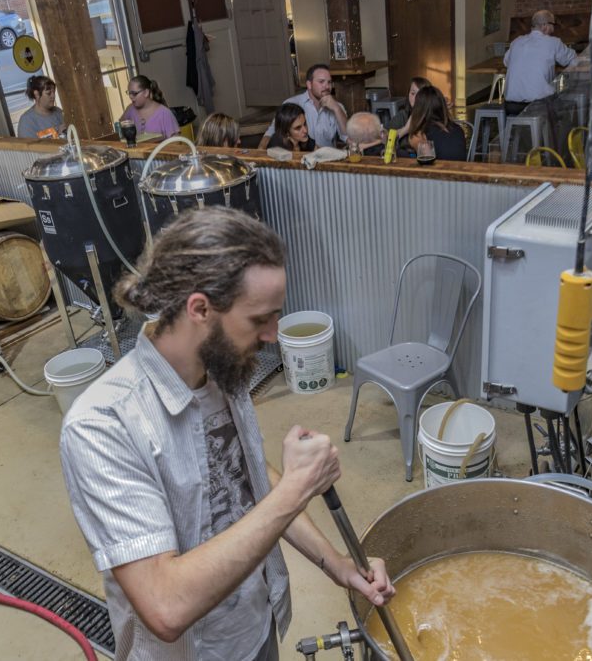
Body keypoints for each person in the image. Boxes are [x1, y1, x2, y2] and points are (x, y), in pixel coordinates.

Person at [60, 207, 395, 660]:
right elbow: (164, 607)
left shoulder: (221, 369)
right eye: (260, 320)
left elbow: (250, 477)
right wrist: (297, 489)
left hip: (254, 628)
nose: (273, 335)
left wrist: (333, 562)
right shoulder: (102, 426)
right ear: (200, 308)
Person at [503, 10, 577, 116]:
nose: (554, 29)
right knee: (566, 104)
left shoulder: (517, 41)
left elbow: (506, 62)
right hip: (538, 106)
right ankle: (559, 131)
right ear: (545, 25)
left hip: (511, 105)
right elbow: (571, 58)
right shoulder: (554, 42)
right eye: (553, 24)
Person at [259, 64, 348, 150]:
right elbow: (271, 133)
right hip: (300, 159)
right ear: (309, 84)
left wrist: (336, 109)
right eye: (321, 82)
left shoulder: (338, 107)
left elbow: (348, 138)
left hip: (328, 160)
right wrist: (259, 154)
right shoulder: (291, 103)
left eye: (329, 82)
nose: (327, 86)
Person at [408, 85, 467, 162]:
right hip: (462, 172)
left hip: (441, 172)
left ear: (418, 108)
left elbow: (427, 162)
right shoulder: (458, 129)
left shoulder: (419, 135)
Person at [121, 75, 180, 139]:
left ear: (146, 92)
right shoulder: (130, 110)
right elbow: (119, 129)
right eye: (129, 93)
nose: (130, 97)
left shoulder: (165, 114)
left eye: (134, 93)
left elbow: (176, 144)